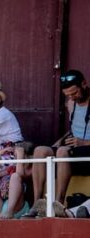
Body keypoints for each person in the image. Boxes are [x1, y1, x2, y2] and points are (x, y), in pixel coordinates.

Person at [31, 69, 90, 204]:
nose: (72, 97)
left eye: (74, 93)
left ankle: (58, 202)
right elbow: (75, 128)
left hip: (86, 151)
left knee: (63, 151)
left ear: (84, 84)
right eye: (67, 95)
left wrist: (84, 142)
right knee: (40, 150)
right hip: (74, 151)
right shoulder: (71, 103)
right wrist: (59, 142)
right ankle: (37, 203)